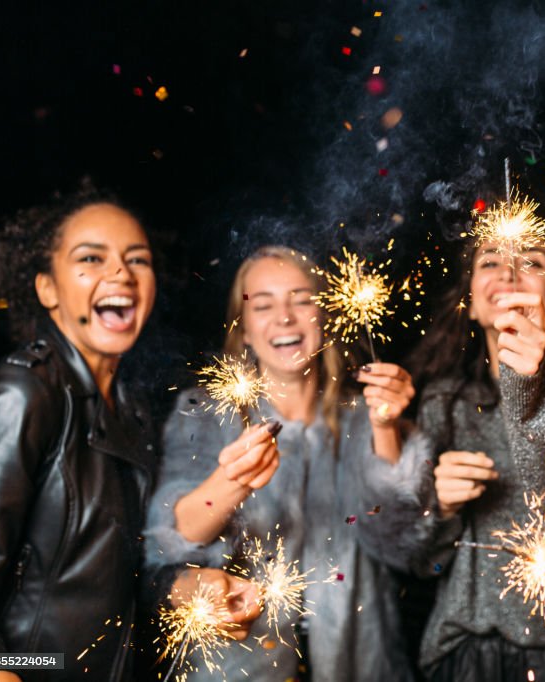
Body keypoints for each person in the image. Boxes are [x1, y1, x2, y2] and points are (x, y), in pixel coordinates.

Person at [0, 185, 260, 682]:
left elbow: (129, 574)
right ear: (46, 288)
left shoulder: (133, 409)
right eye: (92, 257)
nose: (120, 273)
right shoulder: (24, 393)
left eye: (138, 260)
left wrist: (190, 589)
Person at [351, 237, 545, 681]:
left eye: (532, 261)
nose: (508, 273)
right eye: (491, 261)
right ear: (472, 306)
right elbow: (425, 563)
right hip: (466, 651)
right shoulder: (445, 401)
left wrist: (529, 384)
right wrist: (439, 508)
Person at [142, 245, 415, 681]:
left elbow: (405, 545)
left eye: (301, 299)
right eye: (263, 305)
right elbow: (168, 543)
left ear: (325, 314)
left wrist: (385, 428)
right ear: (244, 329)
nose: (285, 317)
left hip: (360, 660)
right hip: (239, 669)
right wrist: (230, 482)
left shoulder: (365, 416)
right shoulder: (204, 412)